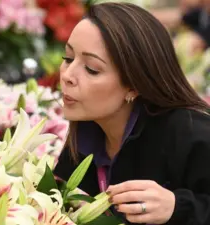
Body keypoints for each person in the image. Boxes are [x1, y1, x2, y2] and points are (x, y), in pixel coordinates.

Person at [53, 2, 210, 225]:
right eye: (68, 58)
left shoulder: (191, 133)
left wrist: (177, 207)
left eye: (91, 69)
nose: (67, 75)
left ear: (134, 85)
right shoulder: (87, 129)